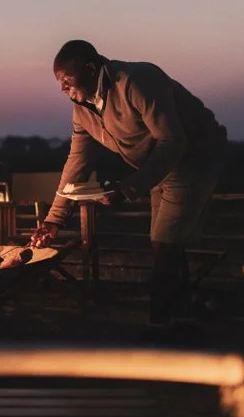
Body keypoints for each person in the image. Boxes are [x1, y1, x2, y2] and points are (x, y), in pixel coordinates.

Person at [31, 40, 228, 327]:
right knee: (166, 242)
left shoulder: (136, 81)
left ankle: (160, 327)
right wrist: (53, 221)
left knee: (164, 242)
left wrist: (129, 188)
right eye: (58, 81)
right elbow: (76, 163)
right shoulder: (82, 108)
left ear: (90, 67)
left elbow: (173, 140)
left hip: (193, 156)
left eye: (66, 79)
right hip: (157, 166)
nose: (62, 88)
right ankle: (184, 315)